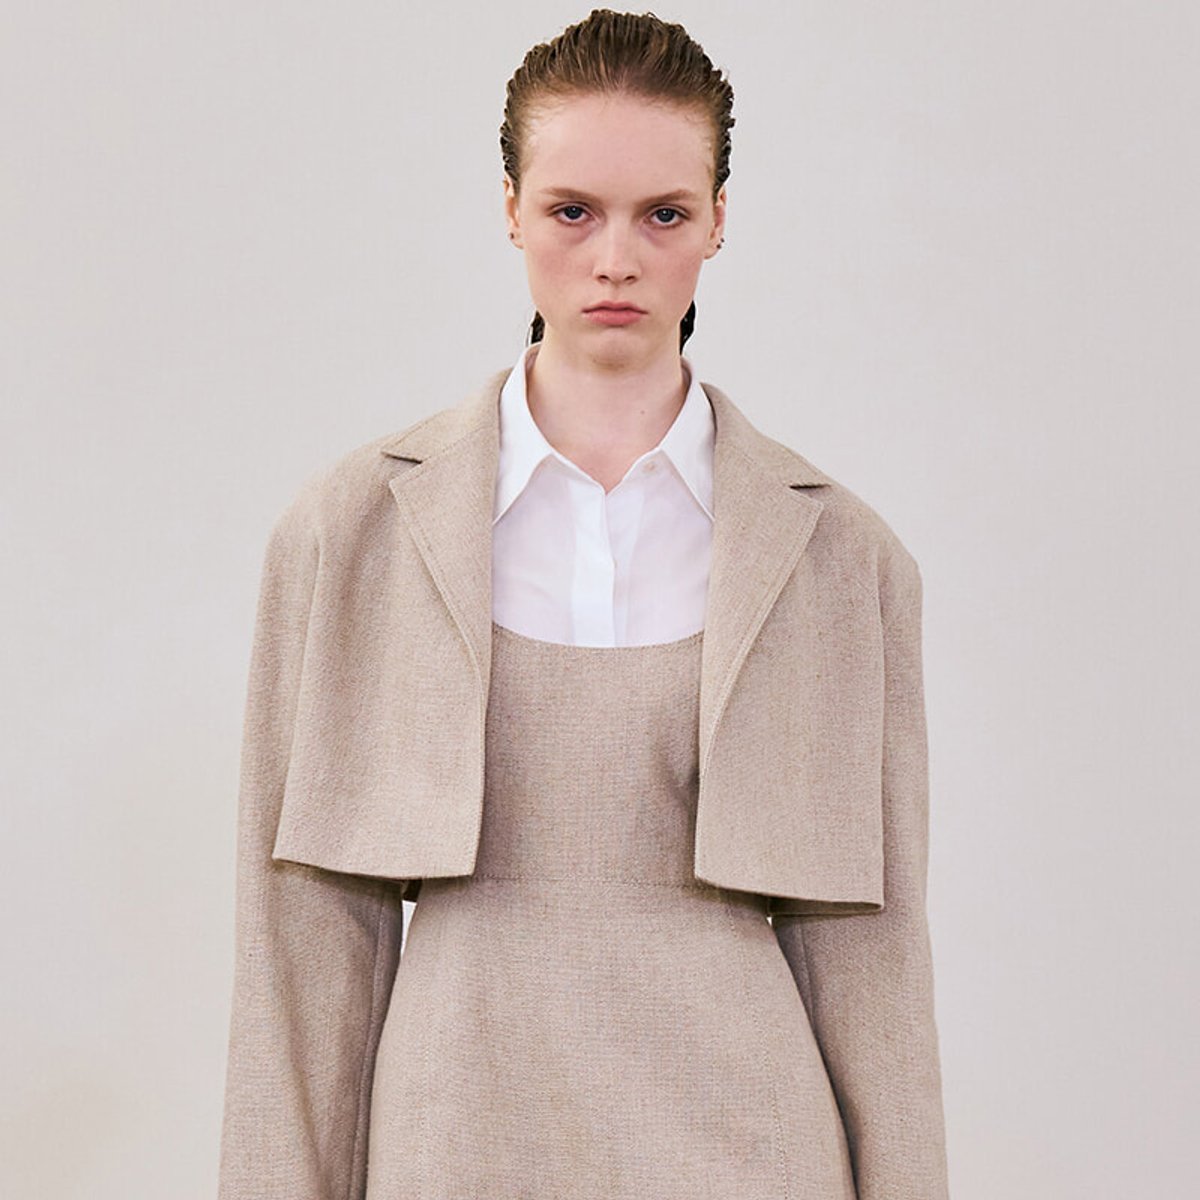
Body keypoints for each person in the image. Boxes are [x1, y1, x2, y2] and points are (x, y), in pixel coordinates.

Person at [217, 9, 950, 1200]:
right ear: (509, 208)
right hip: (452, 1134)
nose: (616, 258)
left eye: (663, 213)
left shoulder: (841, 559)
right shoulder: (348, 537)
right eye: (573, 211)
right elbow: (298, 962)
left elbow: (877, 964)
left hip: (753, 1146)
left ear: (719, 221)